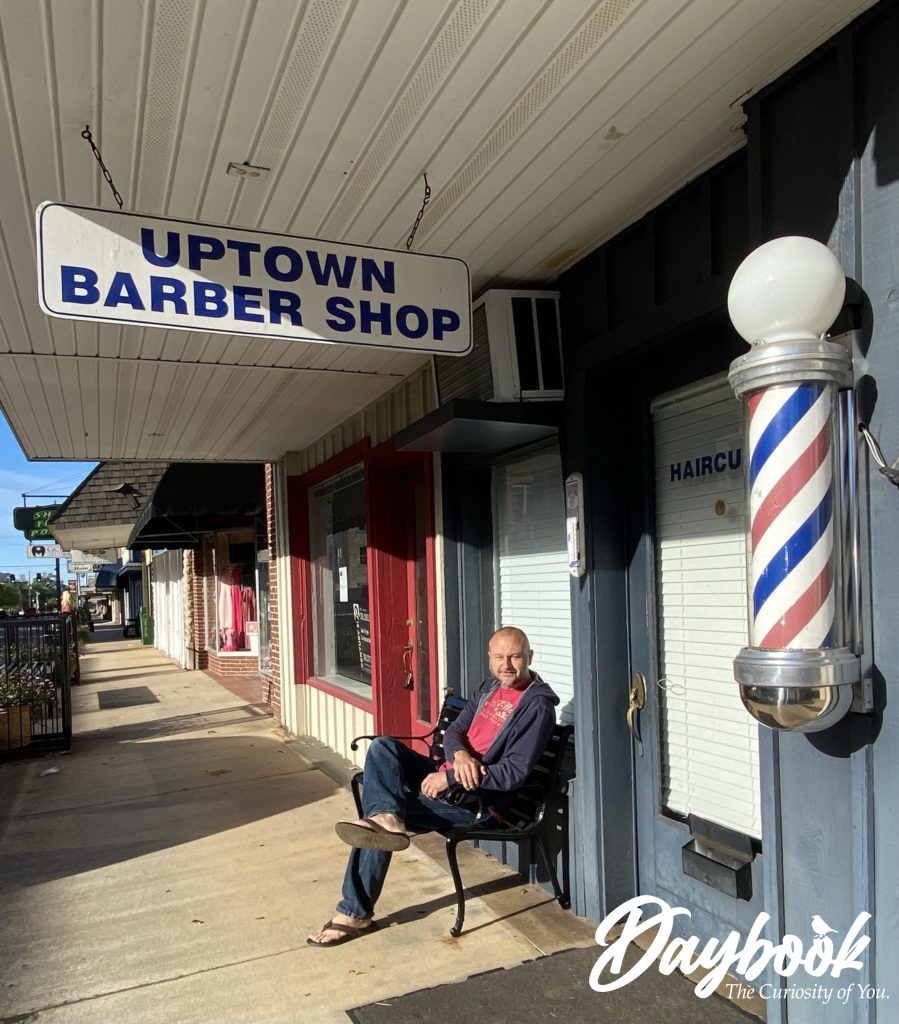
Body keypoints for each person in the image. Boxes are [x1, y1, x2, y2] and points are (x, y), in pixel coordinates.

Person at [307, 626, 558, 947]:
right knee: (383, 747)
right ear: (489, 659)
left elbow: (512, 774)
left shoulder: (536, 707)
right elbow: (454, 732)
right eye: (499, 657)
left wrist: (452, 776)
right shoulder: (489, 689)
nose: (506, 664)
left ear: (529, 657)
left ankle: (355, 910)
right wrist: (461, 756)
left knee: (375, 817)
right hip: (449, 778)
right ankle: (387, 818)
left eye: (515, 656)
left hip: (478, 802)